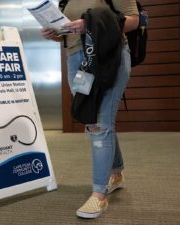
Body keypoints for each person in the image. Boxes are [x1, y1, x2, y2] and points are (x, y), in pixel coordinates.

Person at [40, 0, 139, 219]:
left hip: (107, 57)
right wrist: (54, 33)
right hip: (77, 60)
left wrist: (91, 26)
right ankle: (116, 173)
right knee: (94, 119)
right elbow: (69, 34)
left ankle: (99, 195)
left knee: (100, 124)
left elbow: (133, 21)